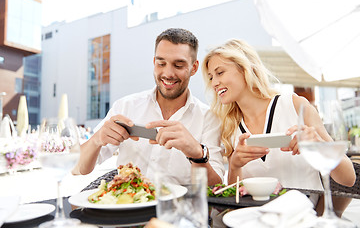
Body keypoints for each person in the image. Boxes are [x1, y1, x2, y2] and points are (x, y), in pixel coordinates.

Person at [201, 39, 356, 200]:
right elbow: (235, 197)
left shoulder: (295, 105)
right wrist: (234, 166)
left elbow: (348, 178)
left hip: (304, 217)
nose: (214, 83)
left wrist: (320, 146)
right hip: (256, 219)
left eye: (220, 73)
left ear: (245, 68)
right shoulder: (228, 126)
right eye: (211, 77)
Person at [72, 28, 224, 186]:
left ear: (194, 68)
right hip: (127, 205)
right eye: (161, 63)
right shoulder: (126, 106)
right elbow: (76, 168)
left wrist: (197, 154)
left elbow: (216, 187)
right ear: (154, 63)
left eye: (178, 65)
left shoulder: (208, 118)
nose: (168, 73)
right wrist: (97, 139)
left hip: (177, 209)